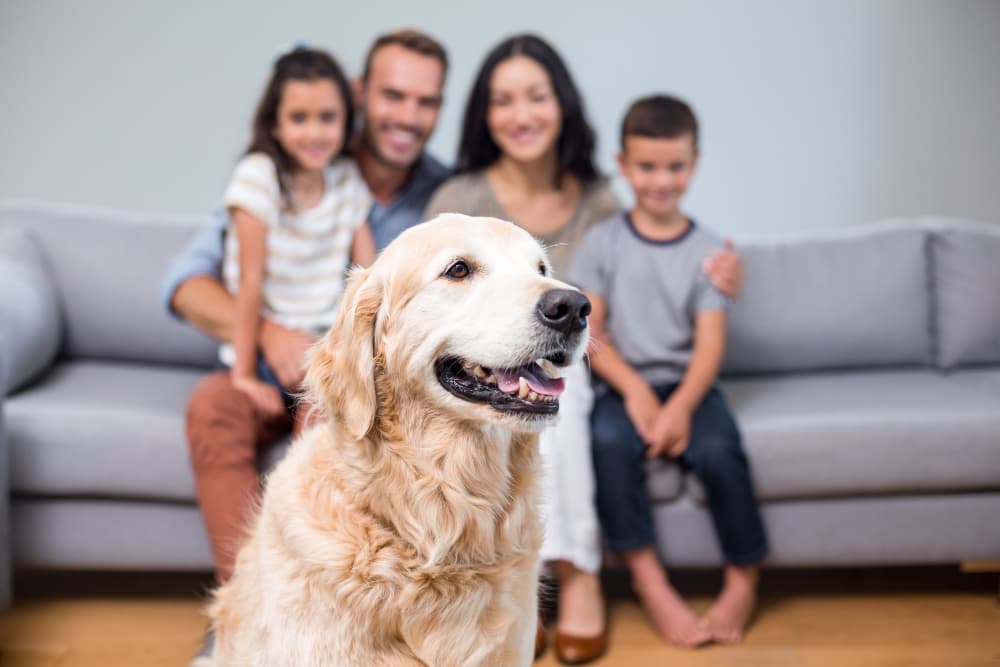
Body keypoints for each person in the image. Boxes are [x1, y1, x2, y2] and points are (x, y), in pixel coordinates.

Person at [424, 35, 744, 664]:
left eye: (536, 96)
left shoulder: (597, 202)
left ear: (561, 104)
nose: (522, 114)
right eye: (504, 100)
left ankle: (577, 579)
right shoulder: (456, 202)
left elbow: (635, 279)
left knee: (562, 404)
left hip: (566, 362)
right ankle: (519, 593)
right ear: (484, 115)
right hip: (483, 364)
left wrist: (722, 271)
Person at [158, 30, 450, 667]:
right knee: (214, 409)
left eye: (425, 102)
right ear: (361, 95)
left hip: (349, 374)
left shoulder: (443, 199)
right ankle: (246, 607)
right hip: (265, 364)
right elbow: (184, 284)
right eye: (394, 95)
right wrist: (268, 336)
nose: (407, 115)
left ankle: (353, 618)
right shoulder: (268, 180)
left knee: (338, 426)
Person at [567, 94, 768, 649]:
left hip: (688, 387)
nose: (661, 180)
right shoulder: (603, 241)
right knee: (606, 444)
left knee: (722, 450)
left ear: (694, 165)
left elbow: (708, 350)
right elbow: (593, 334)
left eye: (674, 166)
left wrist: (679, 407)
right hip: (622, 383)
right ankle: (650, 581)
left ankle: (743, 578)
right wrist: (635, 394)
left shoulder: (708, 251)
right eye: (647, 167)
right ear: (624, 164)